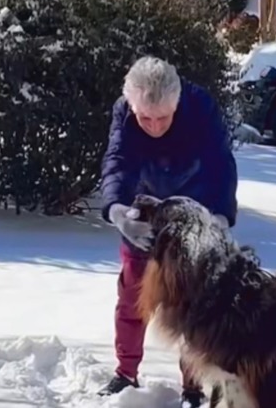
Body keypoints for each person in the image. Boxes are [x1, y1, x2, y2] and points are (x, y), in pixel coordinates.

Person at [97, 56, 239, 406]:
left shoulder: (200, 106)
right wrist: (117, 211)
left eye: (163, 117)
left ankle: (192, 386)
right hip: (145, 210)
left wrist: (219, 216)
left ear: (177, 104)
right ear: (132, 106)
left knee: (191, 304)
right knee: (132, 296)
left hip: (195, 211)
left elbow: (221, 163)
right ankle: (125, 372)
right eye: (145, 118)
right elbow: (118, 160)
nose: (155, 126)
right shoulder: (124, 111)